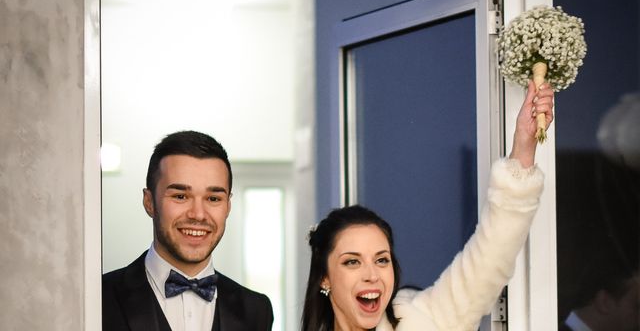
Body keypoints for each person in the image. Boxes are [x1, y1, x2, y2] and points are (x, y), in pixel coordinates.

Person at [302, 80, 554, 331]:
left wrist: (524, 144)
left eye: (382, 260)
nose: (372, 275)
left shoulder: (421, 320)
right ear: (325, 277)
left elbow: (492, 254)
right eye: (352, 262)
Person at [102, 130, 274, 331]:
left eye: (213, 199)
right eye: (181, 196)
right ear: (149, 202)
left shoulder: (256, 310)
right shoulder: (99, 298)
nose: (198, 214)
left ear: (228, 206)